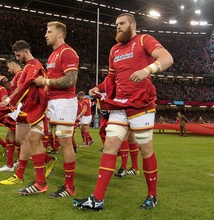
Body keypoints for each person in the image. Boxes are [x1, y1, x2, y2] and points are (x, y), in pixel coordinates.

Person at [72, 13, 173, 210]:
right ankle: (97, 199)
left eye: (122, 23)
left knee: (145, 150)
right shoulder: (114, 50)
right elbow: (112, 79)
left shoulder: (144, 39)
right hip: (119, 105)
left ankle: (152, 195)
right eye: (116, 24)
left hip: (141, 104)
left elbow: (167, 58)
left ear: (133, 25)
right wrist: (99, 88)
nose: (118, 27)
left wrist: (147, 70)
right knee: (110, 146)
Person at [33, 21, 79, 198]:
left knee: (65, 142)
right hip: (51, 101)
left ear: (60, 34)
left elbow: (70, 80)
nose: (46, 35)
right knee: (33, 137)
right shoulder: (53, 55)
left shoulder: (67, 52)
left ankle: (69, 186)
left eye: (49, 31)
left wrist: (45, 82)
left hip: (64, 102)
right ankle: (40, 183)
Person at [0, 40, 50, 195]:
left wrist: (9, 101)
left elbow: (24, 87)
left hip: (36, 107)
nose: (18, 58)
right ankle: (35, 174)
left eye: (18, 55)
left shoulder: (33, 66)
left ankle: (25, 176)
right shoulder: (28, 67)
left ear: (26, 51)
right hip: (28, 107)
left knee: (29, 140)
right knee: (25, 140)